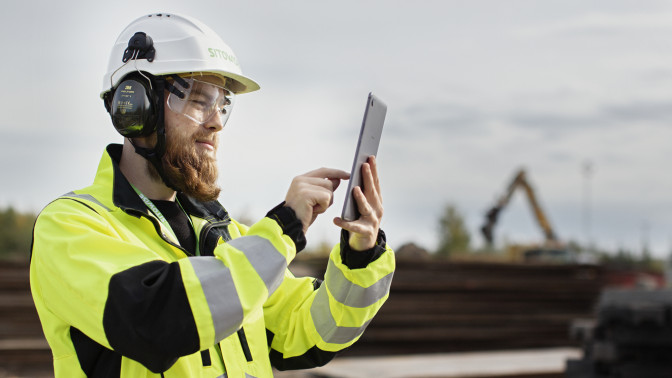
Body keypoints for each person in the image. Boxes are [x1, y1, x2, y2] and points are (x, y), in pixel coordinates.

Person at [29, 12, 395, 378]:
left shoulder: (229, 238)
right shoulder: (69, 227)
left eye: (222, 104)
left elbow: (310, 330)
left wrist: (361, 256)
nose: (216, 120)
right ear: (136, 106)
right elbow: (158, 320)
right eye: (198, 100)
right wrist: (283, 229)